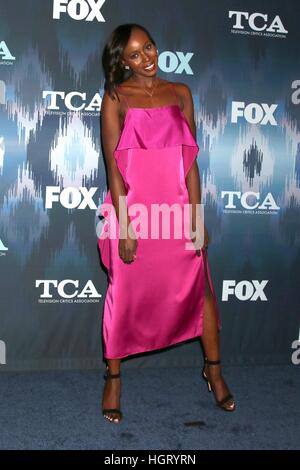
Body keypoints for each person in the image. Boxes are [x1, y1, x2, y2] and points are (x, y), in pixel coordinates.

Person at [98, 23, 235, 423]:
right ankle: (114, 378)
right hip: (137, 213)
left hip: (177, 211)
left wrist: (195, 216)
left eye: (150, 47)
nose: (147, 58)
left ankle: (214, 371)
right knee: (123, 295)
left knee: (201, 291)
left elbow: (189, 161)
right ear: (122, 61)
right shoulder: (116, 97)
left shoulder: (181, 93)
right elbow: (113, 167)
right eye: (135, 54)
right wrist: (124, 225)